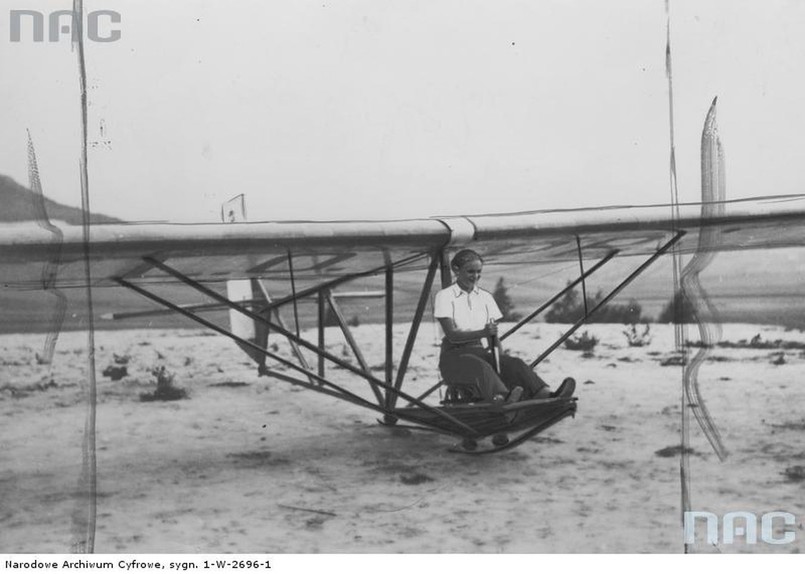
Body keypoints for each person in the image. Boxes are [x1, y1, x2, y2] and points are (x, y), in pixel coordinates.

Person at [433, 249, 575, 403]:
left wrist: (501, 360)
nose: (475, 276)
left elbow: (493, 336)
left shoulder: (485, 298)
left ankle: (546, 395)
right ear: (456, 269)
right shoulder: (444, 297)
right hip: (454, 359)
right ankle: (502, 399)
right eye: (470, 271)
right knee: (479, 366)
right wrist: (483, 332)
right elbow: (452, 335)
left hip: (479, 353)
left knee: (514, 363)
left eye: (478, 272)